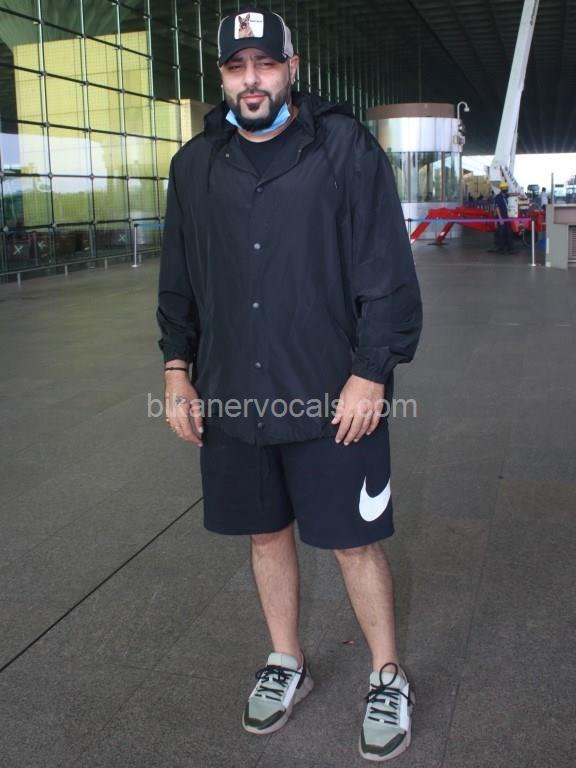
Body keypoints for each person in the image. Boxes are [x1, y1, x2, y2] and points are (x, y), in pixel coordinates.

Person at [156, 7, 423, 762]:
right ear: (222, 77)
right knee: (266, 532)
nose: (252, 80)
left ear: (291, 68)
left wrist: (371, 373)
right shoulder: (196, 165)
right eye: (237, 67)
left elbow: (386, 273)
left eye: (266, 64)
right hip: (234, 395)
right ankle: (287, 661)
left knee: (354, 542)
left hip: (333, 395)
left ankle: (387, 673)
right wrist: (177, 371)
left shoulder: (343, 148)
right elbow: (179, 280)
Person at [490, 181, 514, 253]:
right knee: (501, 233)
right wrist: (500, 219)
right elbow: (497, 208)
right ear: (501, 188)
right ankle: (501, 248)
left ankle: (510, 247)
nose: (506, 189)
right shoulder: (498, 197)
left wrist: (516, 194)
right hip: (501, 217)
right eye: (504, 188)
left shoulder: (505, 195)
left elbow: (509, 194)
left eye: (506, 187)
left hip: (507, 217)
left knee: (509, 232)